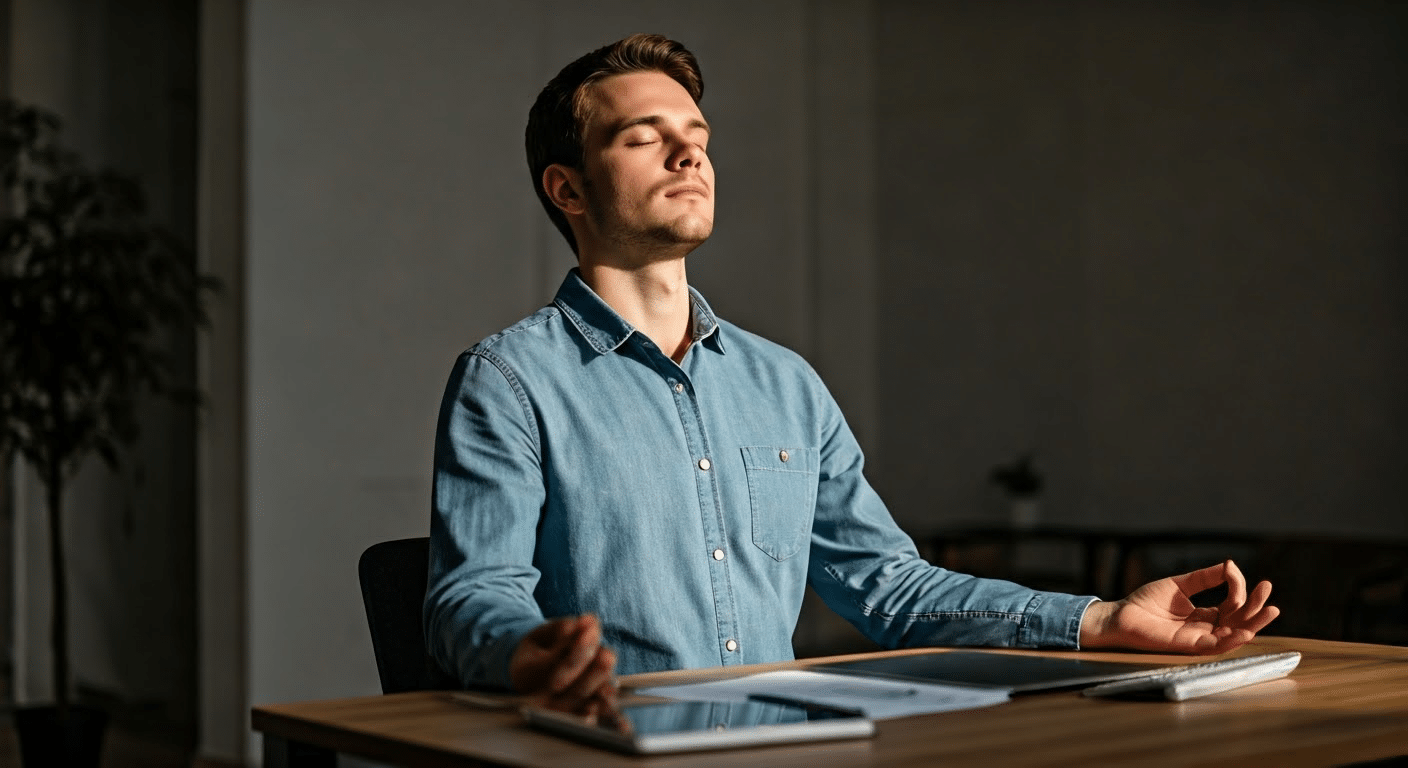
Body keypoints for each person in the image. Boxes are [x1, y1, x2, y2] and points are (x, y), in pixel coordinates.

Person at [423, 33, 1279, 715]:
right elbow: (472, 596)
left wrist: (1102, 620)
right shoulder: (509, 380)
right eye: (645, 138)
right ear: (567, 190)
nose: (689, 157)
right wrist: (528, 655)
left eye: (698, 138)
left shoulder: (787, 384)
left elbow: (890, 590)